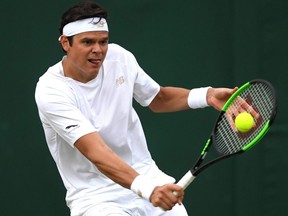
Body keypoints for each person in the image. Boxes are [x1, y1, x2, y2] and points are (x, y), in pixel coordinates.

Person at [34, 1, 237, 216]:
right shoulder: (51, 90)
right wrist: (148, 190)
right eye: (87, 42)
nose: (98, 50)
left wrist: (207, 95)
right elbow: (95, 151)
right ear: (66, 43)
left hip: (148, 177)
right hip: (96, 198)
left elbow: (157, 98)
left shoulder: (119, 57)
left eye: (103, 42)